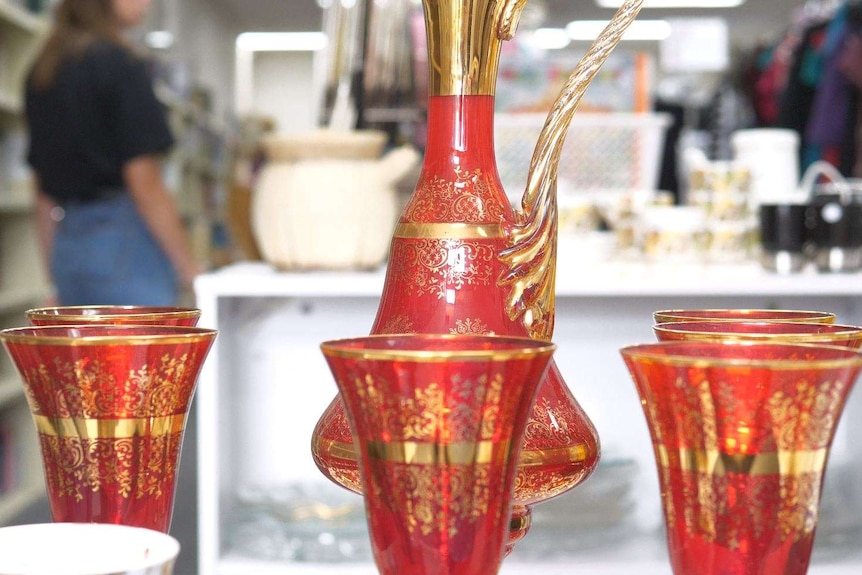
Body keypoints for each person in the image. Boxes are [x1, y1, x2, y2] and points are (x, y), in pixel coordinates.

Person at [24, 0, 200, 306]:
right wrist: (191, 271)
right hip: (123, 247)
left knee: (80, 353)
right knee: (141, 351)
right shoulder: (121, 65)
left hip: (68, 244)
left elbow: (41, 190)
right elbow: (145, 183)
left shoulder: (41, 73)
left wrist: (52, 275)